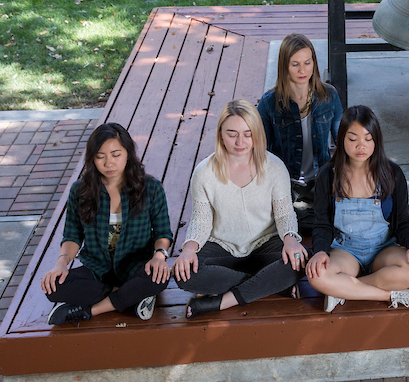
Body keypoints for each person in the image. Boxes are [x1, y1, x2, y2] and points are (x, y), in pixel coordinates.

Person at [174, 99, 307, 318]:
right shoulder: (204, 173)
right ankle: (270, 284)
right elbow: (201, 220)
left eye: (248, 133)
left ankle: (220, 302)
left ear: (257, 132)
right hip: (222, 248)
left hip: (264, 244)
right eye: (232, 133)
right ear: (221, 134)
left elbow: (284, 214)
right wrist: (189, 248)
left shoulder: (274, 167)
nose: (240, 142)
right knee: (184, 274)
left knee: (300, 260)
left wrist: (291, 240)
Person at [42, 123, 173, 325]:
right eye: (100, 156)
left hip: (135, 266)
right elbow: (72, 236)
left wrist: (158, 257)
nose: (109, 163)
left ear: (128, 154)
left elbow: (163, 233)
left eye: (115, 154)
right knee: (54, 287)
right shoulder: (80, 190)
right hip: (98, 269)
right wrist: (61, 264)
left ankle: (91, 310)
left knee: (159, 277)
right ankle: (131, 296)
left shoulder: (151, 188)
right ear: (92, 158)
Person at [305, 106, 409, 312]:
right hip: (345, 251)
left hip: (383, 248)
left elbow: (403, 220)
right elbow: (322, 223)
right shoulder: (328, 175)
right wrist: (319, 252)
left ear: (376, 140)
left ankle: (343, 290)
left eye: (367, 139)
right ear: (341, 139)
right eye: (352, 139)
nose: (360, 146)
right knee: (316, 275)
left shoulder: (392, 173)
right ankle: (391, 295)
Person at [258, 33, 343, 239]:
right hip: (286, 182)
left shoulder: (329, 96)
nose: (302, 70)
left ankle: (311, 218)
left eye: (307, 62)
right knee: (278, 220)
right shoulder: (269, 103)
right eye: (295, 64)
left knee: (340, 217)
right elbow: (261, 152)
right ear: (284, 66)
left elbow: (343, 142)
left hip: (321, 179)